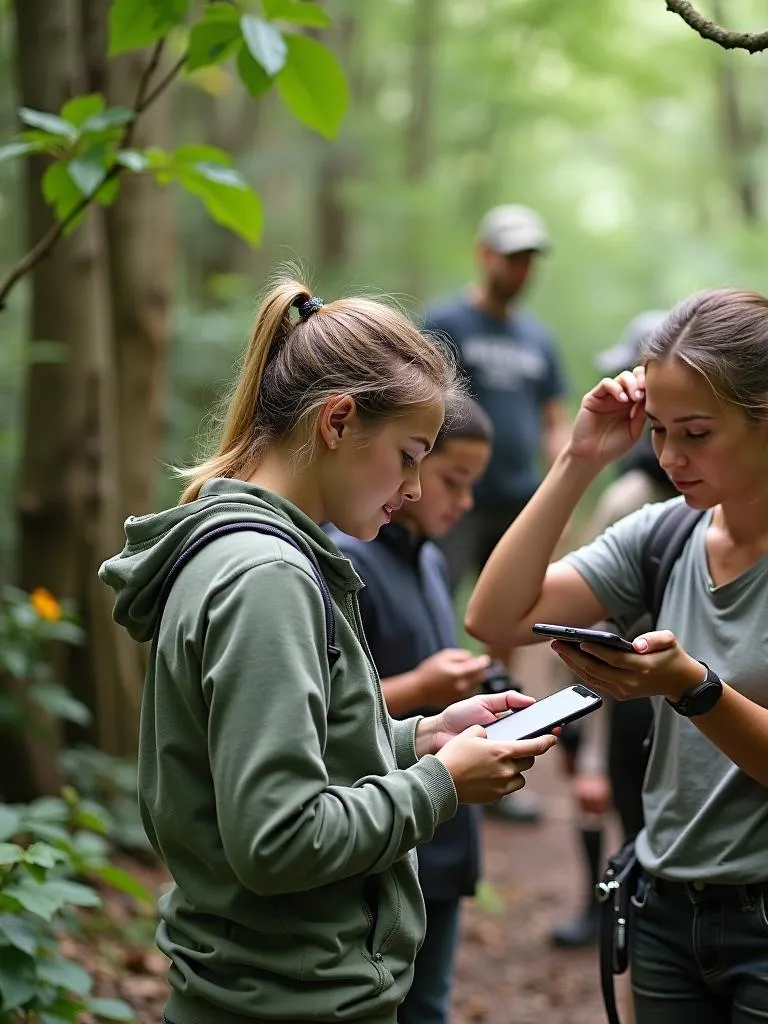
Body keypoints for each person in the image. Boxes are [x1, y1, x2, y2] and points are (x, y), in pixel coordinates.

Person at [98, 275, 557, 1024]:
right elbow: (278, 840)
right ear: (338, 422)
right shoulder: (268, 578)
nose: (413, 488)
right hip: (286, 1000)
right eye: (409, 455)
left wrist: (417, 738)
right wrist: (442, 782)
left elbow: (271, 759)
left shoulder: (251, 554)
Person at [465, 288, 768, 1024]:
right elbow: (497, 617)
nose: (671, 457)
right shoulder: (664, 534)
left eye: (697, 434)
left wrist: (693, 688)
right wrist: (580, 459)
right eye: (660, 431)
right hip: (665, 913)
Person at [325, 395, 497, 1024]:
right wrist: (424, 684)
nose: (460, 499)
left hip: (441, 820)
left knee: (430, 1001)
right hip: (380, 820)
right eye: (449, 478)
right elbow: (331, 715)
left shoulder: (427, 557)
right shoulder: (347, 561)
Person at [424, 203, 571, 824]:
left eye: (529, 258)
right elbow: (419, 399)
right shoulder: (446, 322)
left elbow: (553, 420)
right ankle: (427, 749)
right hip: (455, 505)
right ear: (485, 254)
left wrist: (568, 474)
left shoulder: (538, 339)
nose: (520, 268)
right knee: (436, 611)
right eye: (511, 255)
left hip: (517, 504)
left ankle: (502, 747)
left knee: (509, 627)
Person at [550, 311, 673, 951]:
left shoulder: (653, 498)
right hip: (624, 688)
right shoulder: (630, 499)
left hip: (662, 695)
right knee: (615, 801)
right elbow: (588, 617)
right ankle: (602, 907)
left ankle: (629, 914)